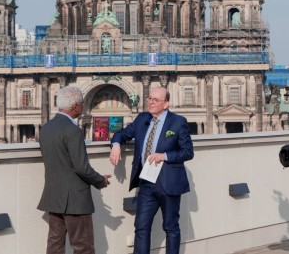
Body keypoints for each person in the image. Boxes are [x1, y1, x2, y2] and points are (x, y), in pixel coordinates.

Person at [109, 87, 194, 254]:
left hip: (168, 183)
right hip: (146, 183)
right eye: (149, 98)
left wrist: (165, 156)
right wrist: (116, 144)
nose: (151, 102)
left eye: (156, 100)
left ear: (166, 104)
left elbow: (188, 152)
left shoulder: (178, 122)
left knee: (170, 227)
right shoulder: (142, 119)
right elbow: (122, 133)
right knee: (141, 227)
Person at [37, 85, 111, 254]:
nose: (83, 107)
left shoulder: (46, 129)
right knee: (83, 246)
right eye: (82, 104)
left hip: (54, 195)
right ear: (75, 106)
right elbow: (81, 167)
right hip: (75, 199)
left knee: (55, 244)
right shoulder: (73, 131)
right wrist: (101, 180)